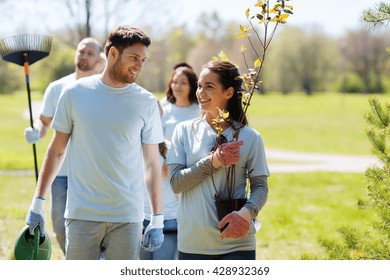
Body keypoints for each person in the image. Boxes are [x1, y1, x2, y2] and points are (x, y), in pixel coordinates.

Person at [25, 25, 164, 260]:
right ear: (112, 54)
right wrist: (37, 202)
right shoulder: (74, 93)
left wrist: (157, 218)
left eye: (143, 60)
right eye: (133, 58)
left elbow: (151, 163)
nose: (140, 66)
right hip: (82, 214)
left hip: (127, 217)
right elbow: (57, 150)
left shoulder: (146, 102)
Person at [167, 60, 270, 260]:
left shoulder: (250, 137)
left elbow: (261, 187)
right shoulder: (184, 131)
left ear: (229, 92)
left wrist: (246, 215)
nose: (200, 92)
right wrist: (213, 162)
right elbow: (176, 184)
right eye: (199, 86)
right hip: (193, 244)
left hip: (238, 245)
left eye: (209, 87)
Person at [23, 37, 103, 255]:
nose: (84, 56)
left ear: (99, 60)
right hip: (60, 173)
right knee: (59, 225)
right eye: (81, 51)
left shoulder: (103, 89)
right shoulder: (57, 87)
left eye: (90, 53)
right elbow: (45, 121)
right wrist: (36, 130)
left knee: (92, 226)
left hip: (92, 172)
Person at [140, 65, 200, 260]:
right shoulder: (162, 107)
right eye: (175, 81)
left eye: (183, 82)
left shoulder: (199, 111)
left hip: (171, 210)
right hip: (140, 214)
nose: (178, 86)